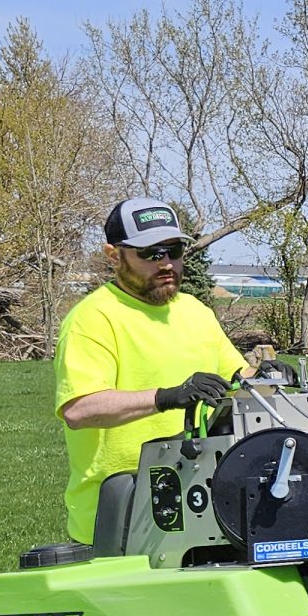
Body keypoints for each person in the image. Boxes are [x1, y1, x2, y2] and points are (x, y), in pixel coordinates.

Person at [53, 197, 249, 543]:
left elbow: (238, 379)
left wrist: (269, 378)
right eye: (151, 254)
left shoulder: (194, 311)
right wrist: (166, 397)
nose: (167, 264)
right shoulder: (93, 319)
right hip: (119, 516)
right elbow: (79, 409)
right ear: (114, 256)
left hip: (199, 506)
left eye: (173, 251)